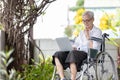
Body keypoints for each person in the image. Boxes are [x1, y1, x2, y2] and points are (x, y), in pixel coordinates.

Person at [52, 11, 102, 80]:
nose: (85, 23)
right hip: (77, 52)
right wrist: (73, 47)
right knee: (58, 54)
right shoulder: (82, 32)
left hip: (89, 53)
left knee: (73, 54)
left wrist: (88, 37)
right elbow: (76, 44)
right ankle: (63, 78)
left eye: (87, 20)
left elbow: (94, 49)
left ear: (93, 19)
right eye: (83, 21)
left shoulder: (97, 31)